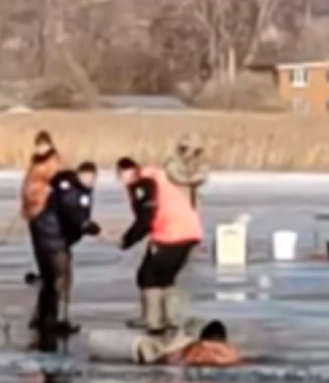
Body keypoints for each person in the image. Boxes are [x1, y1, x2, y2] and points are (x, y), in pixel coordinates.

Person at [115, 157, 203, 336]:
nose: (124, 178)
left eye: (125, 174)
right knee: (165, 276)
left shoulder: (142, 185)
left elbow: (146, 219)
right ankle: (170, 318)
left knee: (148, 276)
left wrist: (127, 240)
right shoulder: (155, 180)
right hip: (188, 231)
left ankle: (154, 321)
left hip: (171, 234)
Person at [28, 161, 101, 348]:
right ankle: (59, 320)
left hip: (44, 234)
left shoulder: (68, 186)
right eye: (87, 177)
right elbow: (72, 211)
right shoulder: (72, 191)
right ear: (80, 175)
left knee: (50, 278)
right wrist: (86, 226)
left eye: (93, 178)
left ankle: (42, 317)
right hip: (53, 238)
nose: (90, 181)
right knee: (62, 278)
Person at [20, 130, 66, 283]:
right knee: (38, 244)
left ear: (49, 145)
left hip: (44, 207)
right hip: (32, 207)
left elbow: (57, 184)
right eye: (38, 145)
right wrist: (25, 205)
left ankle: (51, 273)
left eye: (43, 145)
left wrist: (47, 197)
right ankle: (44, 272)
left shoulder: (53, 162)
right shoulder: (36, 162)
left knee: (46, 243)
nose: (40, 148)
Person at [162, 132, 209, 209]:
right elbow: (174, 176)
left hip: (192, 199)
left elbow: (203, 174)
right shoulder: (172, 160)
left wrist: (197, 177)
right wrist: (190, 180)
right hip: (175, 200)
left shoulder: (198, 160)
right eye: (183, 149)